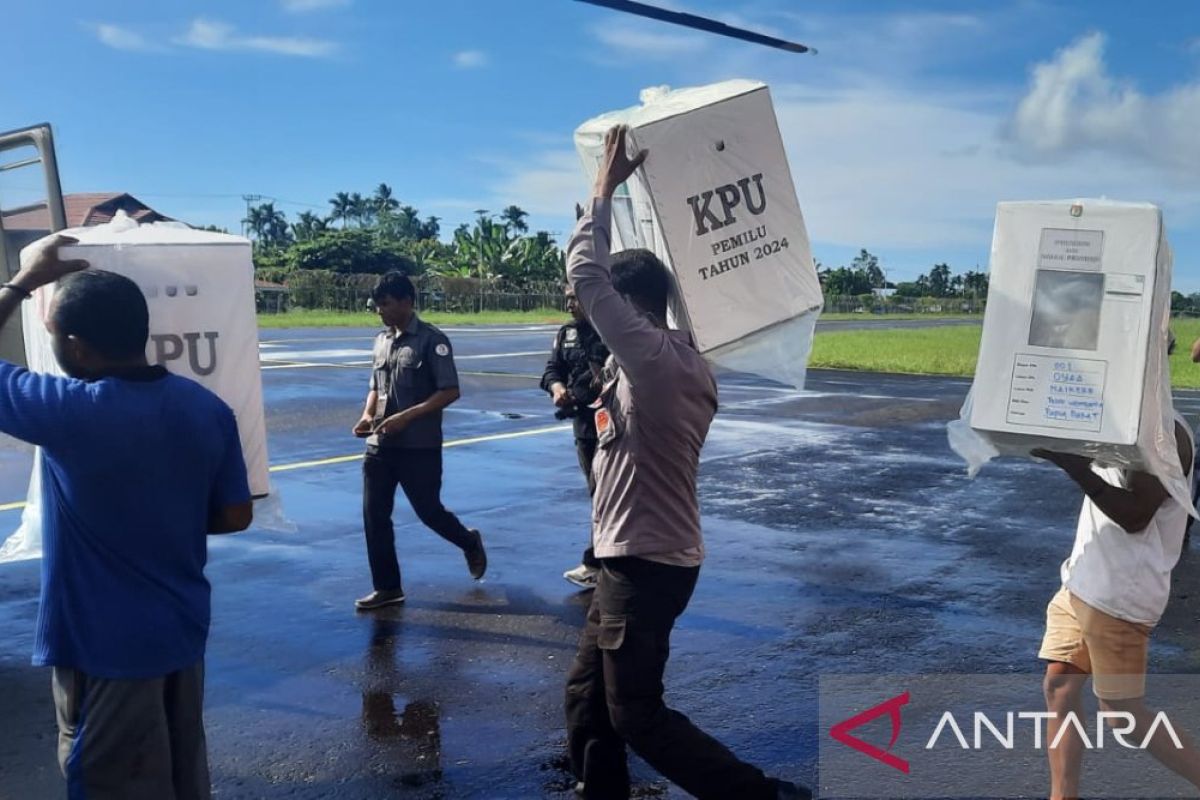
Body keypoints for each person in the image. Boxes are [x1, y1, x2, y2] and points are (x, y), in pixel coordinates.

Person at [562, 125, 808, 800]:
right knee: (588, 695)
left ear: (630, 305)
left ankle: (759, 795)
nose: (588, 314)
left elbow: (584, 273)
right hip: (632, 557)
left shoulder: (654, 358)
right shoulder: (667, 358)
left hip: (644, 564)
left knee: (635, 712)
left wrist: (603, 191)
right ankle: (598, 786)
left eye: (609, 304)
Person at [0, 235, 253, 799]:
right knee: (181, 774)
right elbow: (236, 515)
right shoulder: (206, 409)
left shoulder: (68, 411)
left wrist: (22, 283)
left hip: (101, 646)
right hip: (181, 634)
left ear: (78, 347)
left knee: (109, 781)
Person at [1035, 334, 1200, 799]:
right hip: (1083, 577)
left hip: (1120, 594)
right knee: (1060, 686)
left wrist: (1071, 464)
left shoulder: (1164, 431)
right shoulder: (1114, 417)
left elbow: (1135, 514)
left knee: (1123, 714)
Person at [353, 271, 486, 610]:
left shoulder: (431, 340)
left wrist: (407, 417)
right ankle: (387, 587)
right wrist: (368, 415)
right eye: (377, 305)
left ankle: (468, 541)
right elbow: (375, 386)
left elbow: (450, 391)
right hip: (380, 446)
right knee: (374, 516)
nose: (380, 311)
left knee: (428, 512)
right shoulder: (381, 340)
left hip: (418, 446)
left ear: (406, 302)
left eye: (385, 304)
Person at [541, 284, 610, 589]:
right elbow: (552, 370)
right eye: (567, 297)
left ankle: (600, 561)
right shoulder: (566, 333)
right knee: (597, 493)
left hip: (613, 423)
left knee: (607, 493)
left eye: (575, 297)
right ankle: (603, 560)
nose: (569, 303)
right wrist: (557, 390)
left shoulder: (612, 330)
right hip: (583, 425)